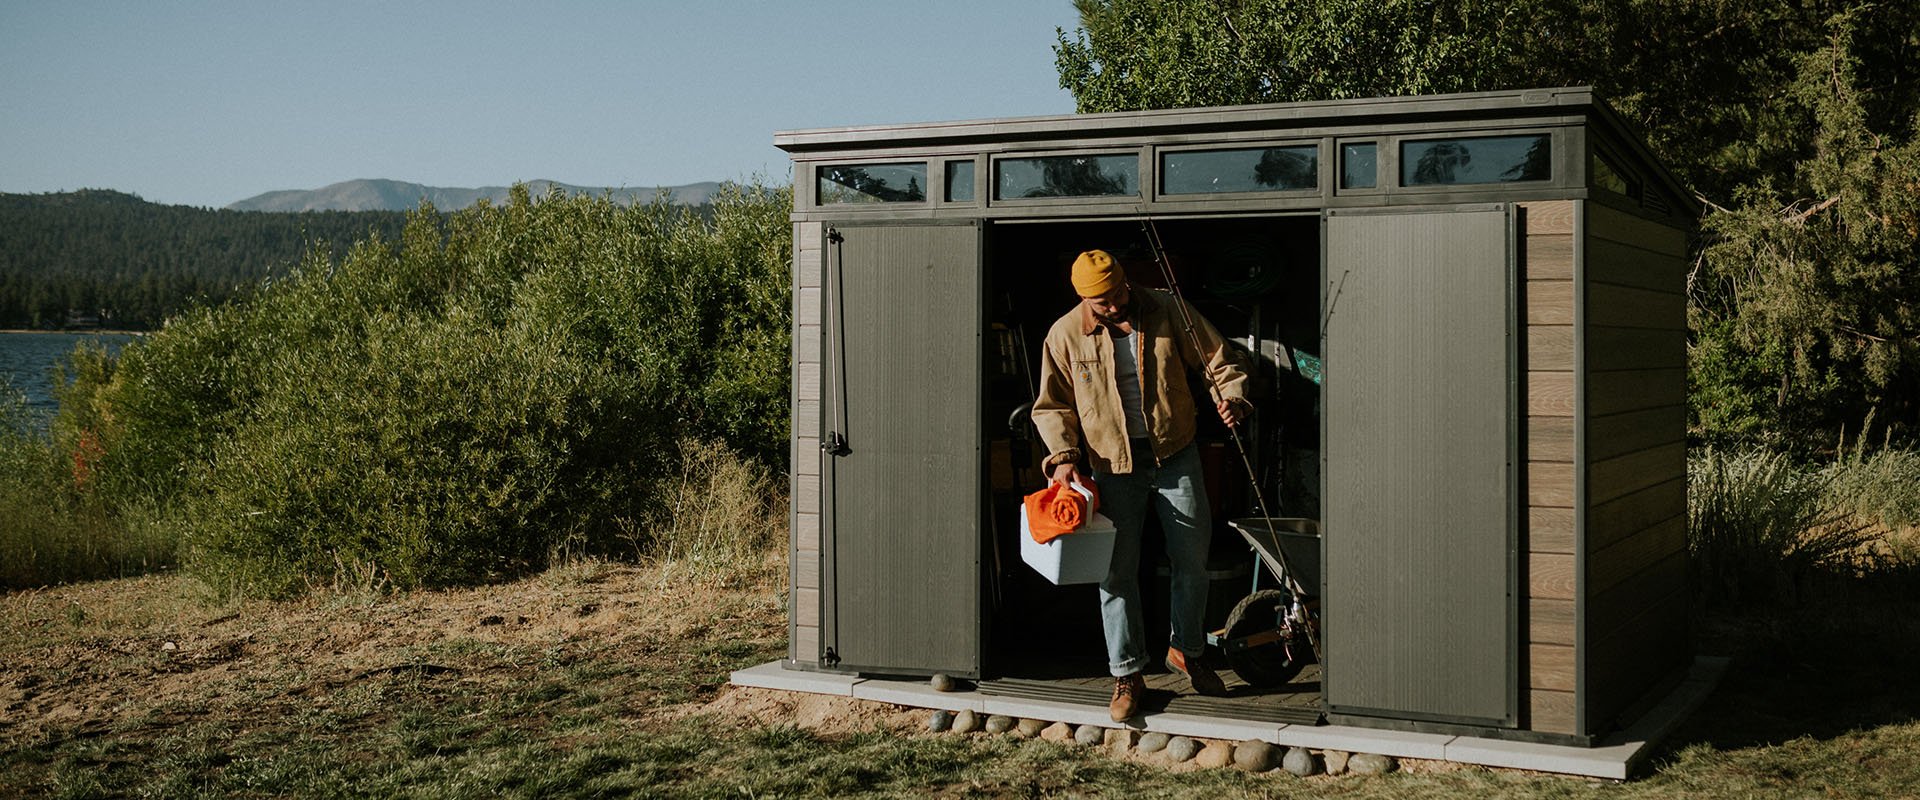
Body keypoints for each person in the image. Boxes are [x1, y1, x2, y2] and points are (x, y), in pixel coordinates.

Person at [1031, 248, 1252, 722]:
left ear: (1125, 282)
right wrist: (1064, 457)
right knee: (1116, 571)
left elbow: (1217, 357)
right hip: (1111, 463)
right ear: (1084, 299)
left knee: (1192, 559)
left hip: (1176, 452)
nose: (1113, 305)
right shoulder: (1064, 334)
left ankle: (1188, 651)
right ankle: (1127, 672)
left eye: (1117, 294)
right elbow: (1052, 406)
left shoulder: (1167, 308)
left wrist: (1231, 396)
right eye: (1101, 302)